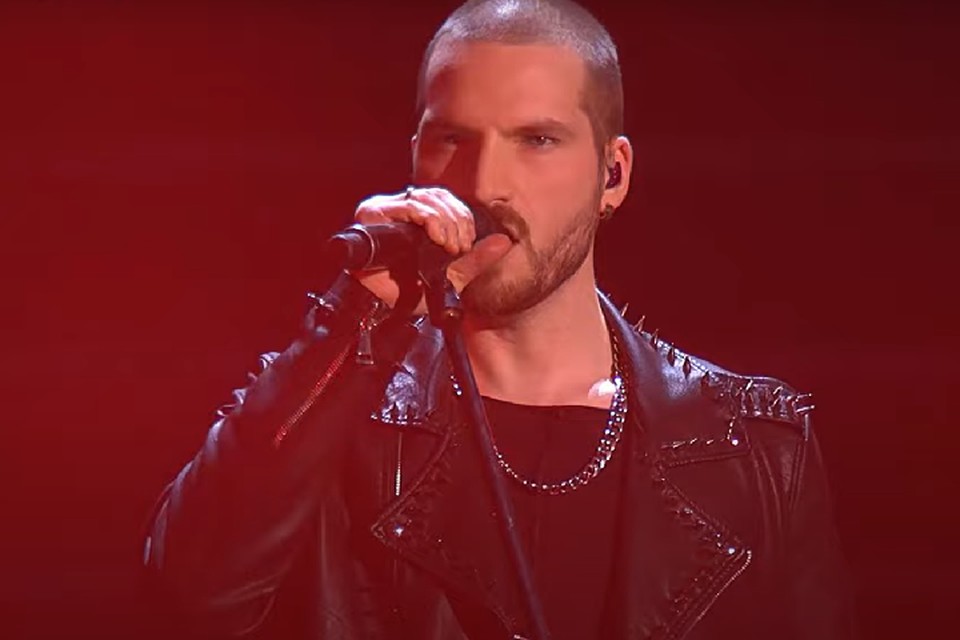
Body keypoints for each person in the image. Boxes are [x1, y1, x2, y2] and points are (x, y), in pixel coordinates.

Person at [143, 0, 856, 638]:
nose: (484, 185)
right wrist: (353, 320)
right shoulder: (329, 413)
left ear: (612, 175)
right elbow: (188, 599)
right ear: (416, 159)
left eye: (536, 139)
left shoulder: (758, 447)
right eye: (452, 139)